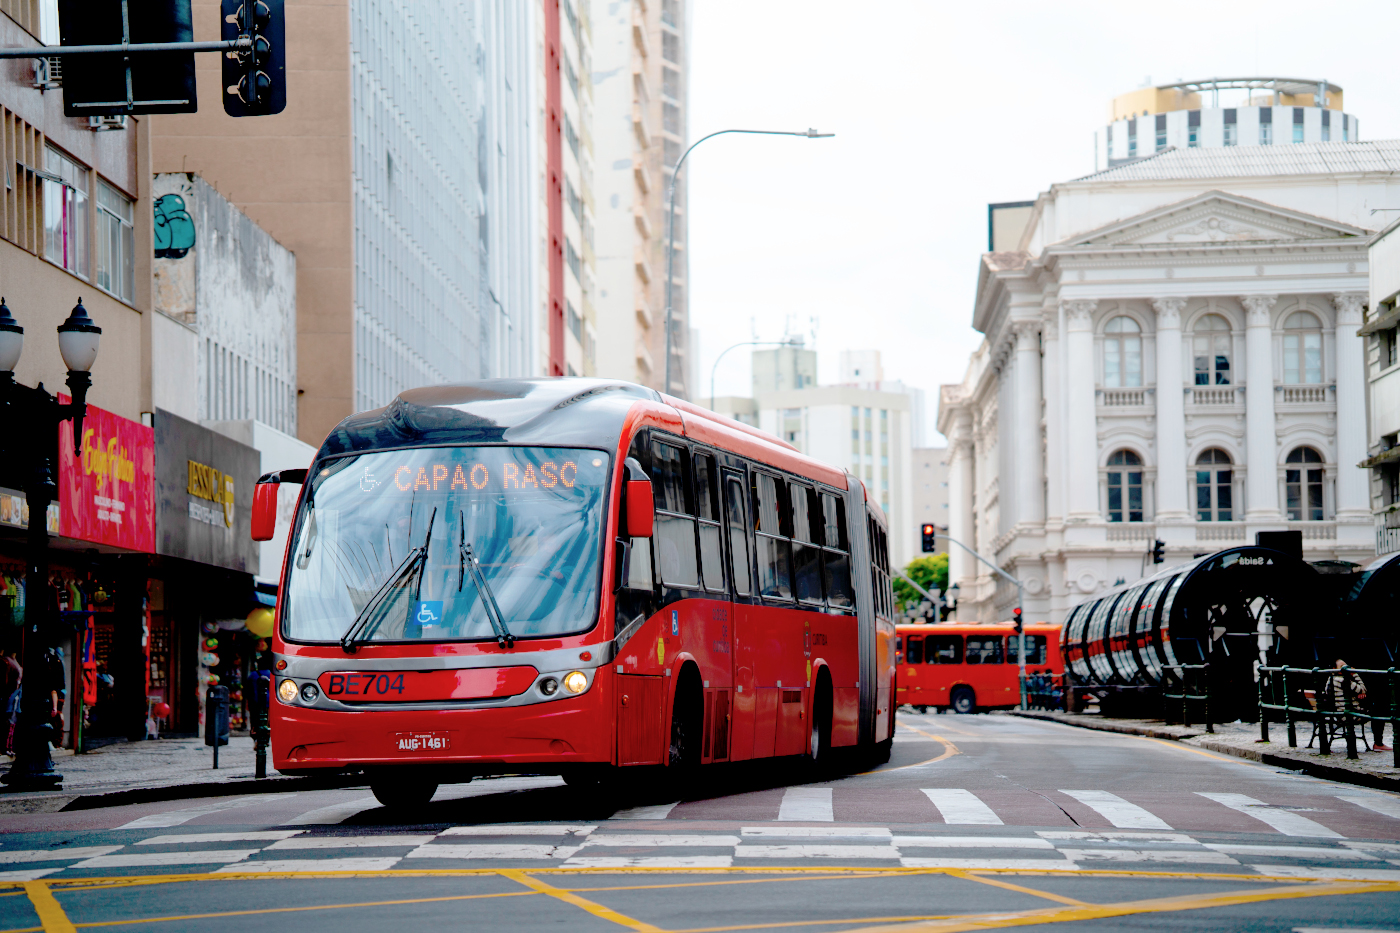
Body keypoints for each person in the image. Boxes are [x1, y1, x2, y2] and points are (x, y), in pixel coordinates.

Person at [1, 646, 20, 756]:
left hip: (15, 696)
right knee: (8, 721)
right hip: (10, 695)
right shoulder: (7, 662)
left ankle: (8, 746)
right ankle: (6, 747)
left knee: (12, 722)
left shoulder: (11, 662)